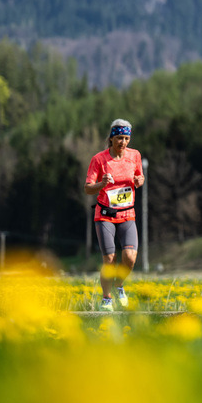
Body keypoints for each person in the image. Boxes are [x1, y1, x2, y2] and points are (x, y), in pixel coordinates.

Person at [84, 119, 145, 311]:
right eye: (119, 138)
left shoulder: (134, 155)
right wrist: (101, 184)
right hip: (105, 216)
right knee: (109, 259)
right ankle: (106, 299)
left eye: (127, 138)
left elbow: (140, 176)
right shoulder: (99, 159)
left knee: (130, 257)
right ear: (111, 138)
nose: (123, 142)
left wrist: (139, 180)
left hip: (127, 214)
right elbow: (87, 188)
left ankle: (119, 285)